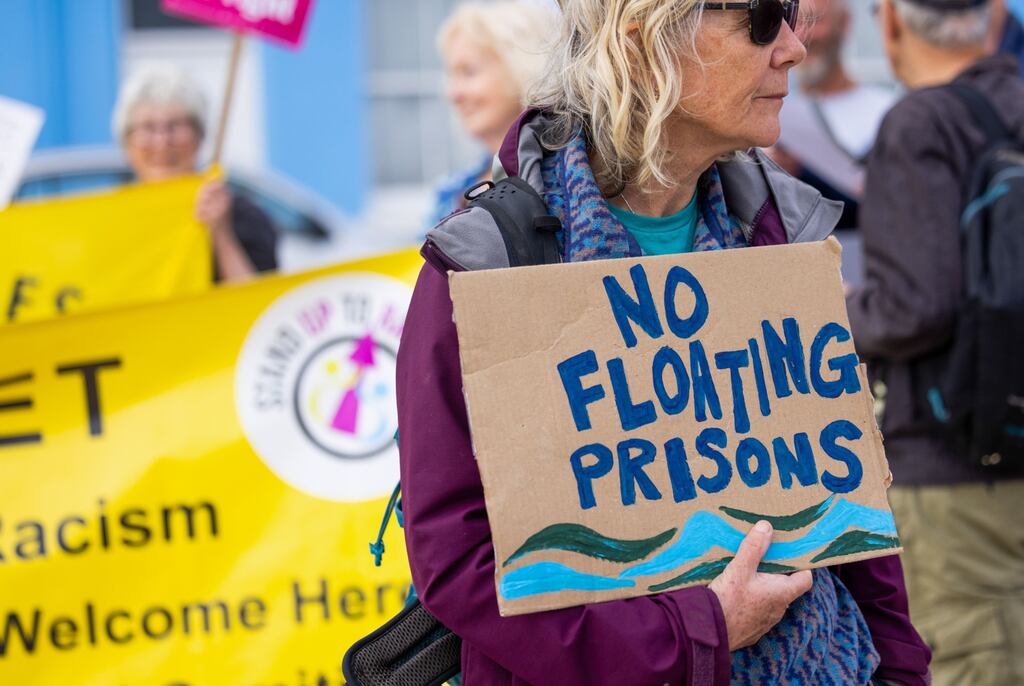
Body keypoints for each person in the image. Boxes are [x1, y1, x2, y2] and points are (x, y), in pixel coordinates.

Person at [397, 1, 931, 684]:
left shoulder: (780, 231)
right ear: (644, 40)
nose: (794, 46)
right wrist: (694, 634)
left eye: (793, 13)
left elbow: (846, 503)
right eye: (762, 17)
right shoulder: (486, 263)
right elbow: (458, 559)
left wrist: (900, 672)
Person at [846, 1, 1024, 684]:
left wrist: (838, 309)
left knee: (972, 656)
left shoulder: (921, 123)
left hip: (952, 463)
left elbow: (914, 309)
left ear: (889, 20)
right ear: (995, 14)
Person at [112, 65, 277, 283]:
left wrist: (221, 233)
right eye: (148, 128)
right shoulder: (112, 221)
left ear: (199, 136)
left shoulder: (245, 218)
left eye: (175, 126)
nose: (162, 141)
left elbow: (261, 300)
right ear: (127, 143)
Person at [427, 1, 554, 227]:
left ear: (522, 69)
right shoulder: (450, 192)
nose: (453, 93)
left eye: (468, 72)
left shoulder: (565, 180)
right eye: (451, 75)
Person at [771, 0, 897, 229]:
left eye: (817, 21)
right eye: (795, 22)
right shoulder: (769, 114)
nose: (804, 35)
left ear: (845, 23)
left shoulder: (888, 111)